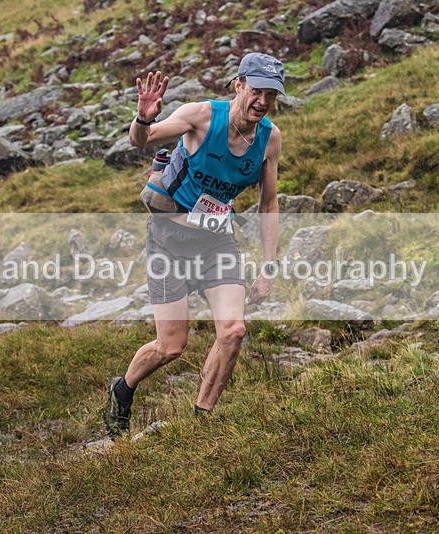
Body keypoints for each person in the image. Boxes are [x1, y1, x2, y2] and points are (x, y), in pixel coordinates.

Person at [105, 53, 284, 437]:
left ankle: (201, 422)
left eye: (271, 94)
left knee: (233, 331)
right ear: (239, 85)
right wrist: (144, 117)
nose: (263, 101)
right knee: (171, 346)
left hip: (217, 242)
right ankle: (123, 389)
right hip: (169, 240)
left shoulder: (270, 138)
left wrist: (269, 267)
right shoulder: (202, 116)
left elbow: (269, 203)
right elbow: (141, 141)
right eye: (257, 91)